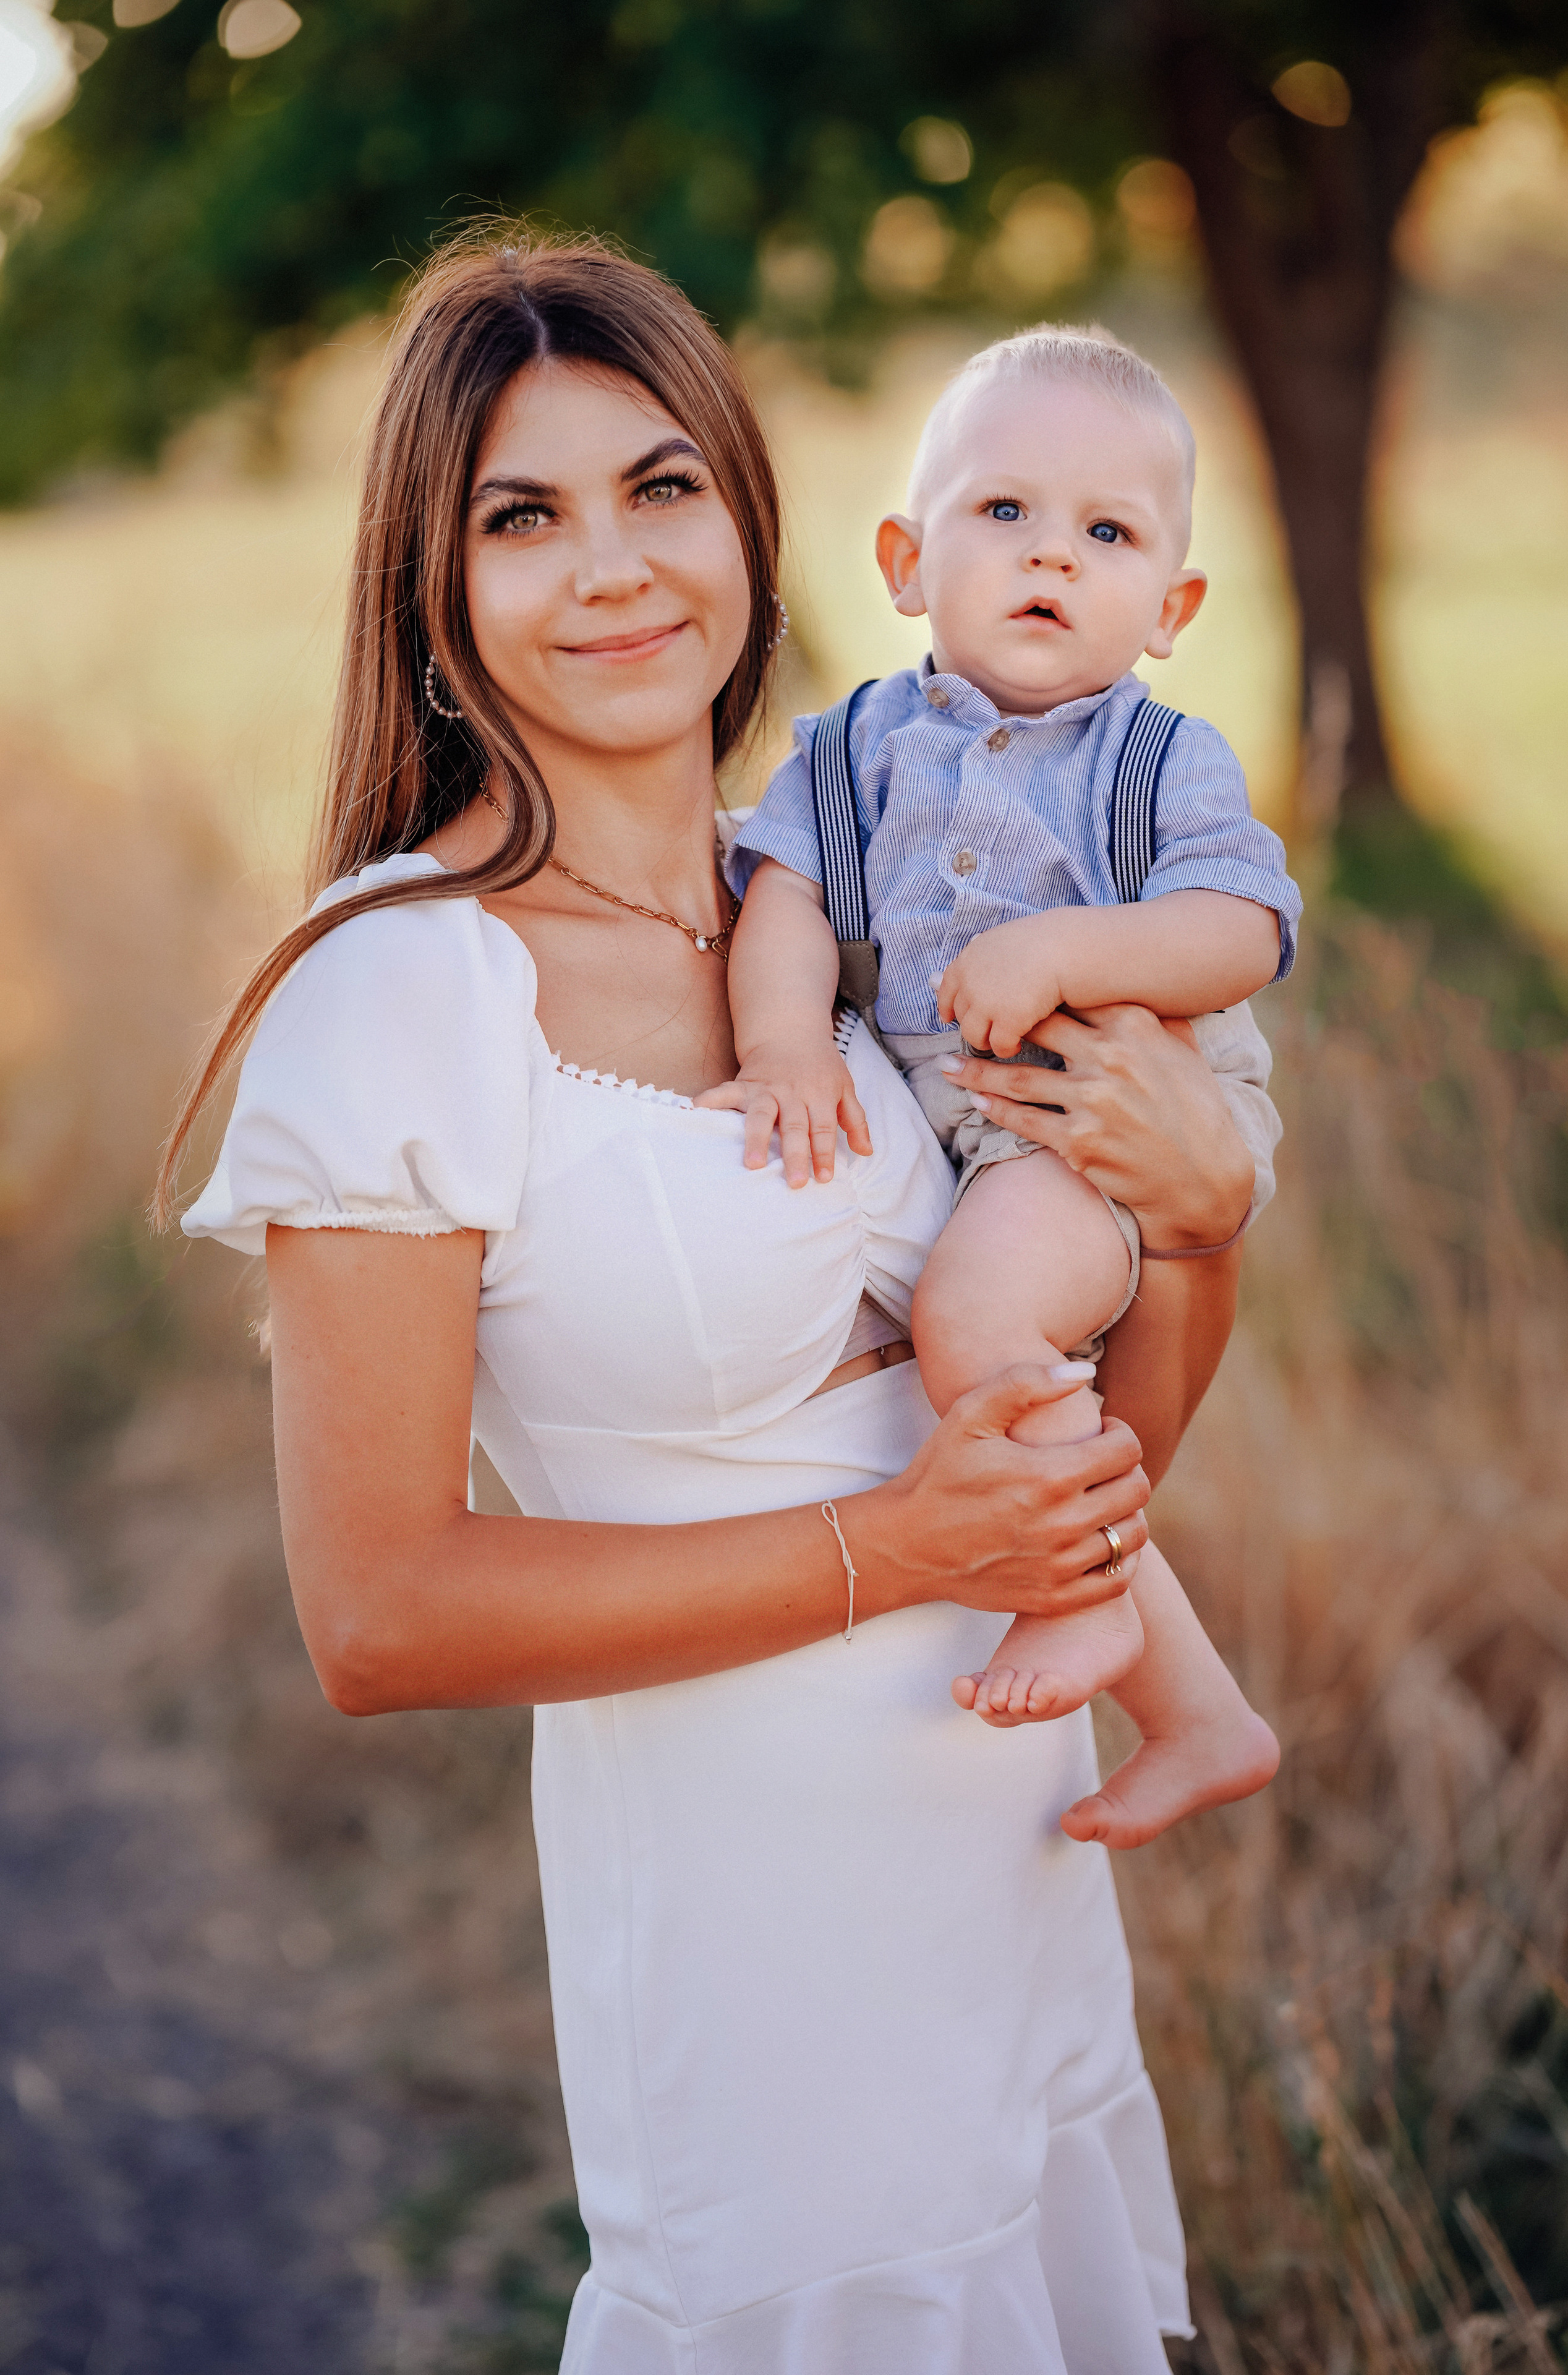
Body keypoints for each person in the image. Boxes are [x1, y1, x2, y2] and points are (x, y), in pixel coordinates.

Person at [156, 228, 1258, 2370]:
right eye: (523, 517)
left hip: (1016, 1874)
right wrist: (898, 1548)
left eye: (662, 487)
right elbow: (377, 1616)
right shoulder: (400, 992)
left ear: (755, 521)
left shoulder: (831, 913)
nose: (614, 570)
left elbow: (1097, 1459)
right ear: (434, 589)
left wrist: (1197, 1238)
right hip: (767, 1972)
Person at [711, 327, 1290, 1846]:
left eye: (1105, 536)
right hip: (968, 1126)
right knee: (999, 1366)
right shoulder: (848, 749)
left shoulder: (1156, 756)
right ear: (905, 561)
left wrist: (1076, 942)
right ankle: (1197, 1712)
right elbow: (779, 888)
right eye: (1002, 515)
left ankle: (1083, 1607)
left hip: (1103, 1123)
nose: (1050, 559)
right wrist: (778, 1045)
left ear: (1167, 608)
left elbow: (1241, 928)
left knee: (973, 1324)